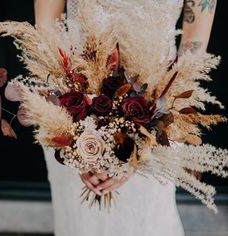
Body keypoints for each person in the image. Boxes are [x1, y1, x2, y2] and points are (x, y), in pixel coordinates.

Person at [34, 0, 217, 235]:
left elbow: (193, 52)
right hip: (70, 107)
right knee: (79, 222)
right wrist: (74, 136)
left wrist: (142, 144)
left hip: (156, 117)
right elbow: (47, 31)